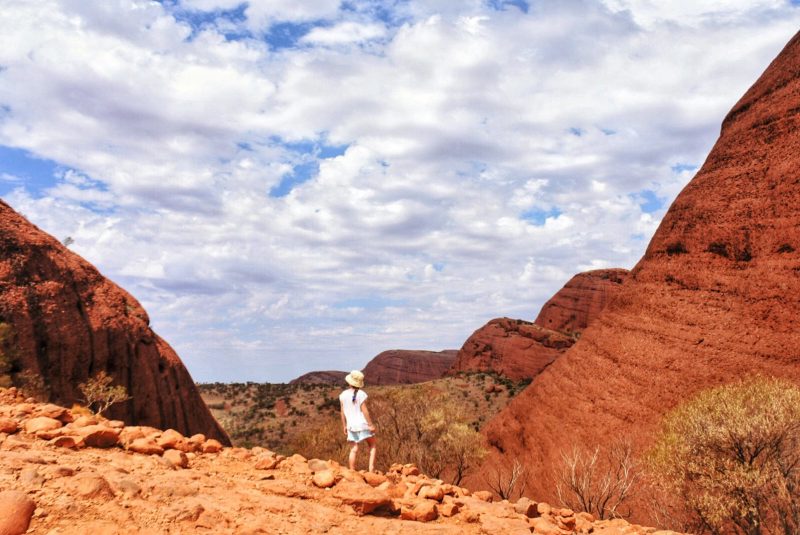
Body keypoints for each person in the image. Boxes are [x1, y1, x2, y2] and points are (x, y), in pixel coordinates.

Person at [339, 370, 376, 472]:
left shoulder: (342, 395)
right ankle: (371, 469)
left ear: (349, 382)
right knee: (372, 445)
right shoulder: (361, 394)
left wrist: (344, 426)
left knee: (354, 449)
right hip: (363, 424)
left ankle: (352, 470)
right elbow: (364, 410)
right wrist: (371, 424)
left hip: (351, 426)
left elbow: (342, 412)